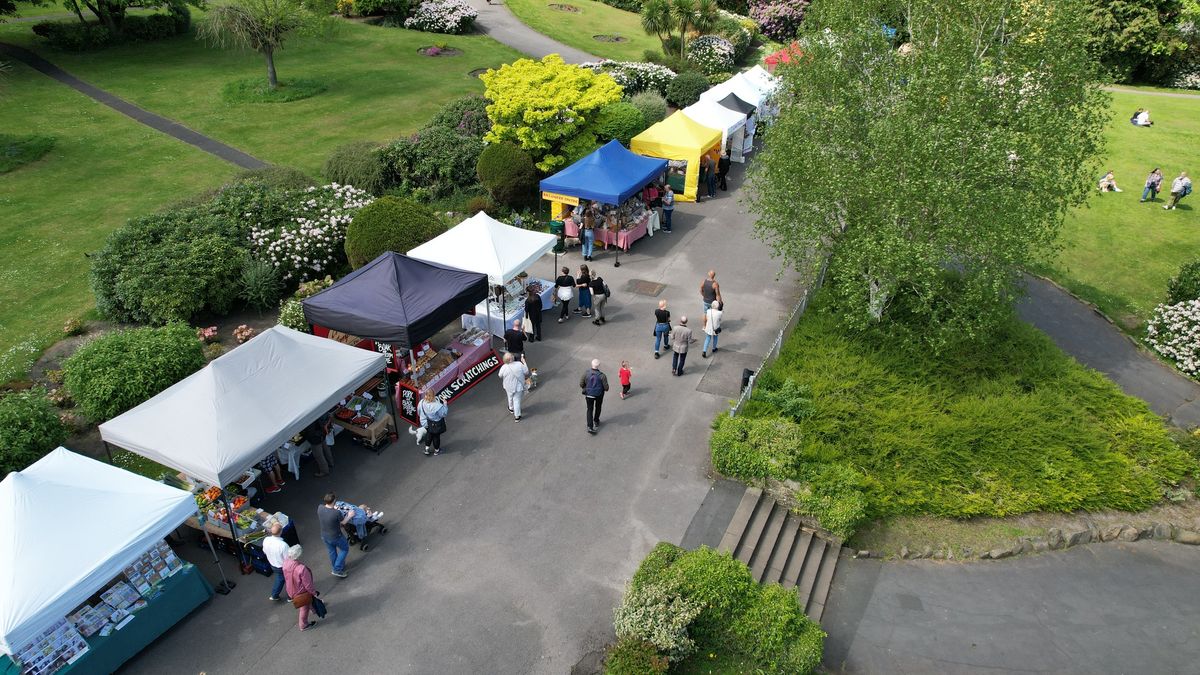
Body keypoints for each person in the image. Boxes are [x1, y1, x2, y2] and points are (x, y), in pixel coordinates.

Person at [283, 545, 322, 631]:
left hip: (290, 589)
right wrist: (314, 593)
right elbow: (308, 585)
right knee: (304, 608)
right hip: (301, 593)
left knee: (308, 601)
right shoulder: (301, 569)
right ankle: (303, 625)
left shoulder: (285, 562)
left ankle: (314, 609)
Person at [317, 493, 351, 578]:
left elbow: (328, 514)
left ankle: (336, 566)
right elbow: (343, 522)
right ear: (334, 501)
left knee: (332, 551)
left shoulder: (320, 508)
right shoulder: (336, 513)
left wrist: (333, 509)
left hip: (324, 535)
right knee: (344, 549)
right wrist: (350, 516)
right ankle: (337, 569)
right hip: (336, 536)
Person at [497, 352, 530, 422]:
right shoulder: (519, 364)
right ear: (512, 358)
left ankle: (511, 408)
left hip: (508, 386)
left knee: (510, 397)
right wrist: (524, 362)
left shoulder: (504, 367)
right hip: (518, 386)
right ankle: (517, 416)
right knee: (517, 401)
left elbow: (500, 375)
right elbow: (526, 372)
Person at [579, 358, 609, 434]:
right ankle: (596, 420)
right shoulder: (602, 376)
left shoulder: (586, 373)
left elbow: (581, 384)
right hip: (599, 395)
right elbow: (606, 388)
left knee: (589, 409)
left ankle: (590, 427)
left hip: (589, 395)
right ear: (598, 365)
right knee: (598, 407)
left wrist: (587, 388)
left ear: (591, 364)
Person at [264, 522, 290, 602]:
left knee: (280, 579)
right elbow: (288, 558)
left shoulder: (266, 540)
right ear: (281, 531)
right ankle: (290, 596)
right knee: (290, 580)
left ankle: (274, 595)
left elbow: (264, 551)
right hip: (283, 566)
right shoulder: (283, 545)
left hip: (273, 564)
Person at [418, 389, 448, 455]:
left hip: (426, 422)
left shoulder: (421, 402)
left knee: (429, 434)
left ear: (425, 395)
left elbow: (419, 412)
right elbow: (444, 413)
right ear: (433, 395)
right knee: (436, 436)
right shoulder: (436, 405)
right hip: (436, 424)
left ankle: (426, 449)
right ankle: (437, 451)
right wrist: (445, 404)